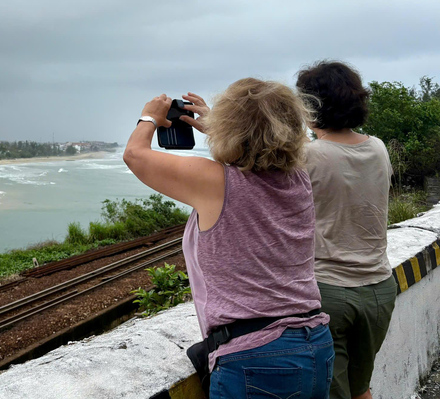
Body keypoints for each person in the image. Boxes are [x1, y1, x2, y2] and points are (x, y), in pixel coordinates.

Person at [124, 79, 334, 399]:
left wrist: (149, 116)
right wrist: (225, 128)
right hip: (315, 343)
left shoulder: (215, 181)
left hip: (257, 356)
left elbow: (135, 156)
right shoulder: (298, 178)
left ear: (230, 129)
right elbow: (264, 150)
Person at [296, 61, 396, 399]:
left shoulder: (309, 155)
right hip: (380, 289)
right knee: (359, 390)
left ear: (311, 107)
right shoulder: (378, 147)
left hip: (329, 292)